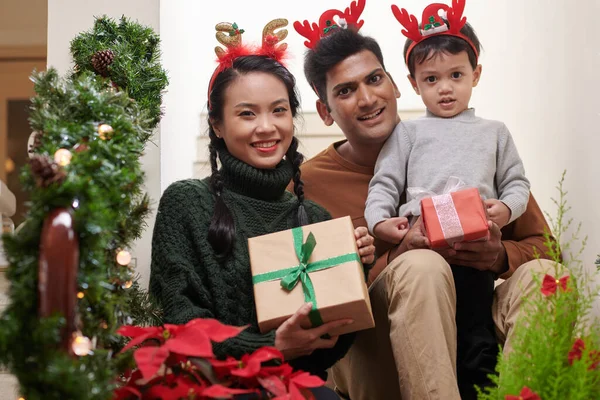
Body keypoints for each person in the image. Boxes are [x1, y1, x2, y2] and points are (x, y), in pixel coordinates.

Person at [293, 3, 557, 399]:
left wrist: (496, 256)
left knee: (546, 277)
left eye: (375, 79)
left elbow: (545, 246)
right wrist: (395, 255)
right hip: (373, 351)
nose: (366, 99)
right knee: (421, 265)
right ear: (325, 111)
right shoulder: (307, 185)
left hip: (474, 325)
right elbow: (303, 300)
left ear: (398, 85)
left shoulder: (472, 148)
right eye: (345, 91)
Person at [149, 19, 376, 396]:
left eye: (279, 110)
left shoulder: (314, 219)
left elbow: (323, 355)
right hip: (214, 388)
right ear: (217, 125)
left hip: (295, 388)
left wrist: (354, 273)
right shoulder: (186, 203)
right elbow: (180, 320)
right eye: (247, 113)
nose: (267, 127)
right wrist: (269, 346)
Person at [363, 2, 531, 396]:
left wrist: (505, 209)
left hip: (475, 251)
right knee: (433, 334)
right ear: (414, 82)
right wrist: (380, 222)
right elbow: (383, 184)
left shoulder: (494, 132)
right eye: (432, 78)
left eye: (456, 75)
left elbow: (517, 184)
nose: (445, 87)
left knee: (477, 338)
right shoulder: (407, 133)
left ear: (476, 74)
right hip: (424, 249)